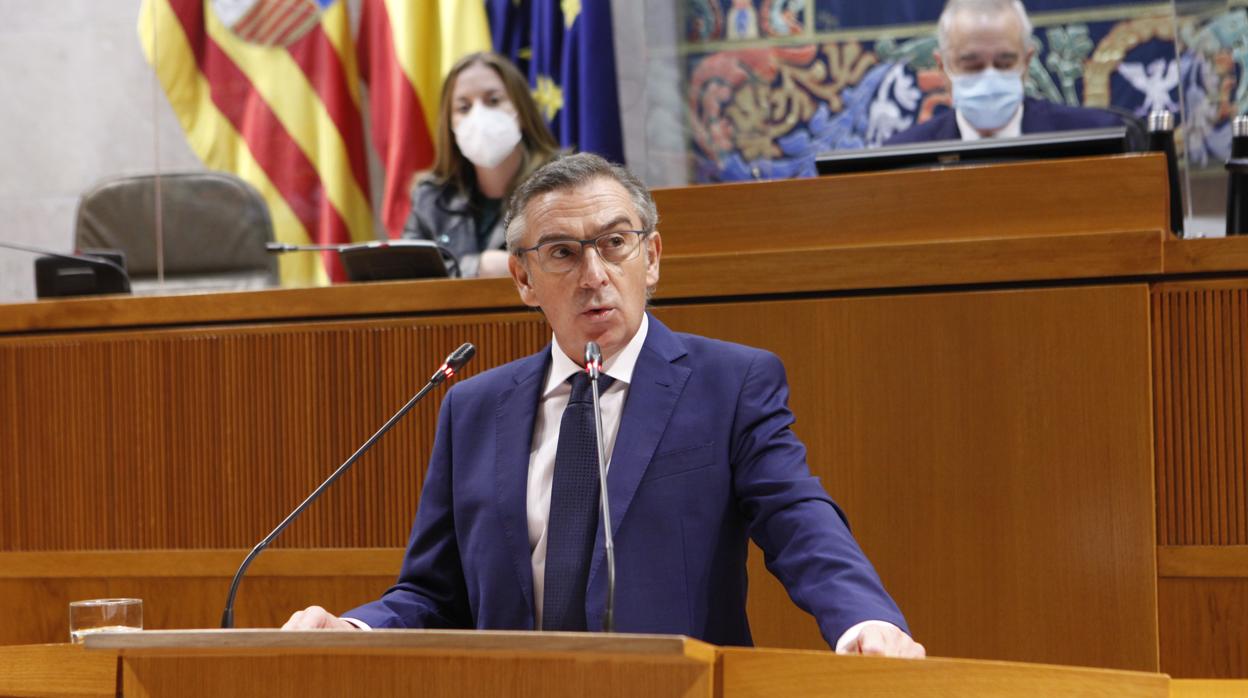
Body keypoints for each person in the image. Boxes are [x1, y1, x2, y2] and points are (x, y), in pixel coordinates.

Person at [283, 153, 924, 659]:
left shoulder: (729, 384)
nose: (594, 274)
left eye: (615, 243)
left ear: (651, 258)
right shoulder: (472, 408)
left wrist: (864, 619)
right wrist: (354, 626)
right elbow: (432, 591)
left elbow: (796, 518)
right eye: (562, 252)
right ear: (523, 280)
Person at [403, 52, 559, 278]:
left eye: (493, 101)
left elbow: (569, 262)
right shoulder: (431, 197)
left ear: (522, 111)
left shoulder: (562, 184)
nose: (479, 116)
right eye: (464, 107)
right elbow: (407, 276)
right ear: (450, 125)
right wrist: (478, 267)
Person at [886, 0, 1121, 144]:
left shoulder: (1093, 139)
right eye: (972, 65)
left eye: (1004, 63)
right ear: (942, 68)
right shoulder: (902, 157)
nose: (990, 76)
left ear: (1026, 63)